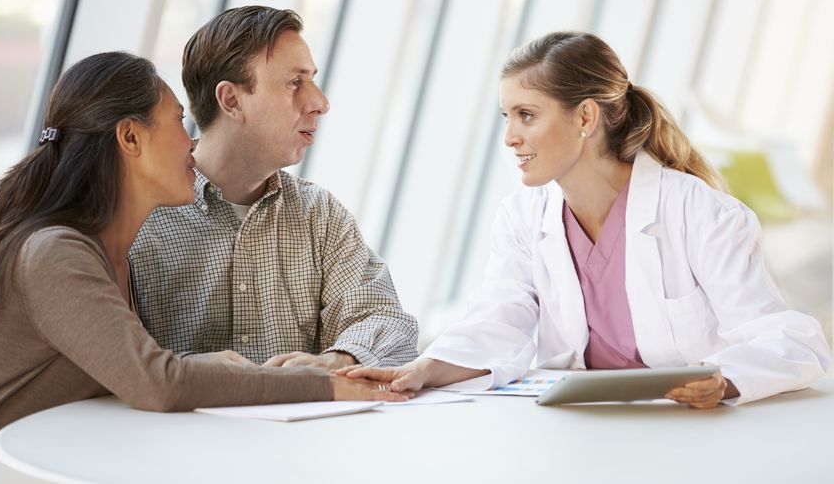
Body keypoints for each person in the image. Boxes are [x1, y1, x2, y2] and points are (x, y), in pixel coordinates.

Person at [339, 31, 831, 408]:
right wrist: (424, 367)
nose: (510, 137)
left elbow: (790, 340)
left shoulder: (701, 213)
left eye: (526, 115)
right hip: (585, 421)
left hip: (689, 426)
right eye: (506, 117)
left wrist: (724, 382)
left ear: (586, 118)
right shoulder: (522, 217)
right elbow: (500, 315)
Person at [0, 52, 407, 454]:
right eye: (177, 122)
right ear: (131, 137)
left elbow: (121, 371)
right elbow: (158, 381)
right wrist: (325, 384)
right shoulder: (56, 253)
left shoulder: (100, 253)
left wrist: (211, 365)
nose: (191, 142)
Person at [128, 6, 418, 370]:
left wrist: (337, 360)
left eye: (312, 80)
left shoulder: (320, 215)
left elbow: (387, 322)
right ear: (231, 100)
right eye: (295, 83)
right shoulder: (138, 220)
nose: (320, 103)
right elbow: (124, 362)